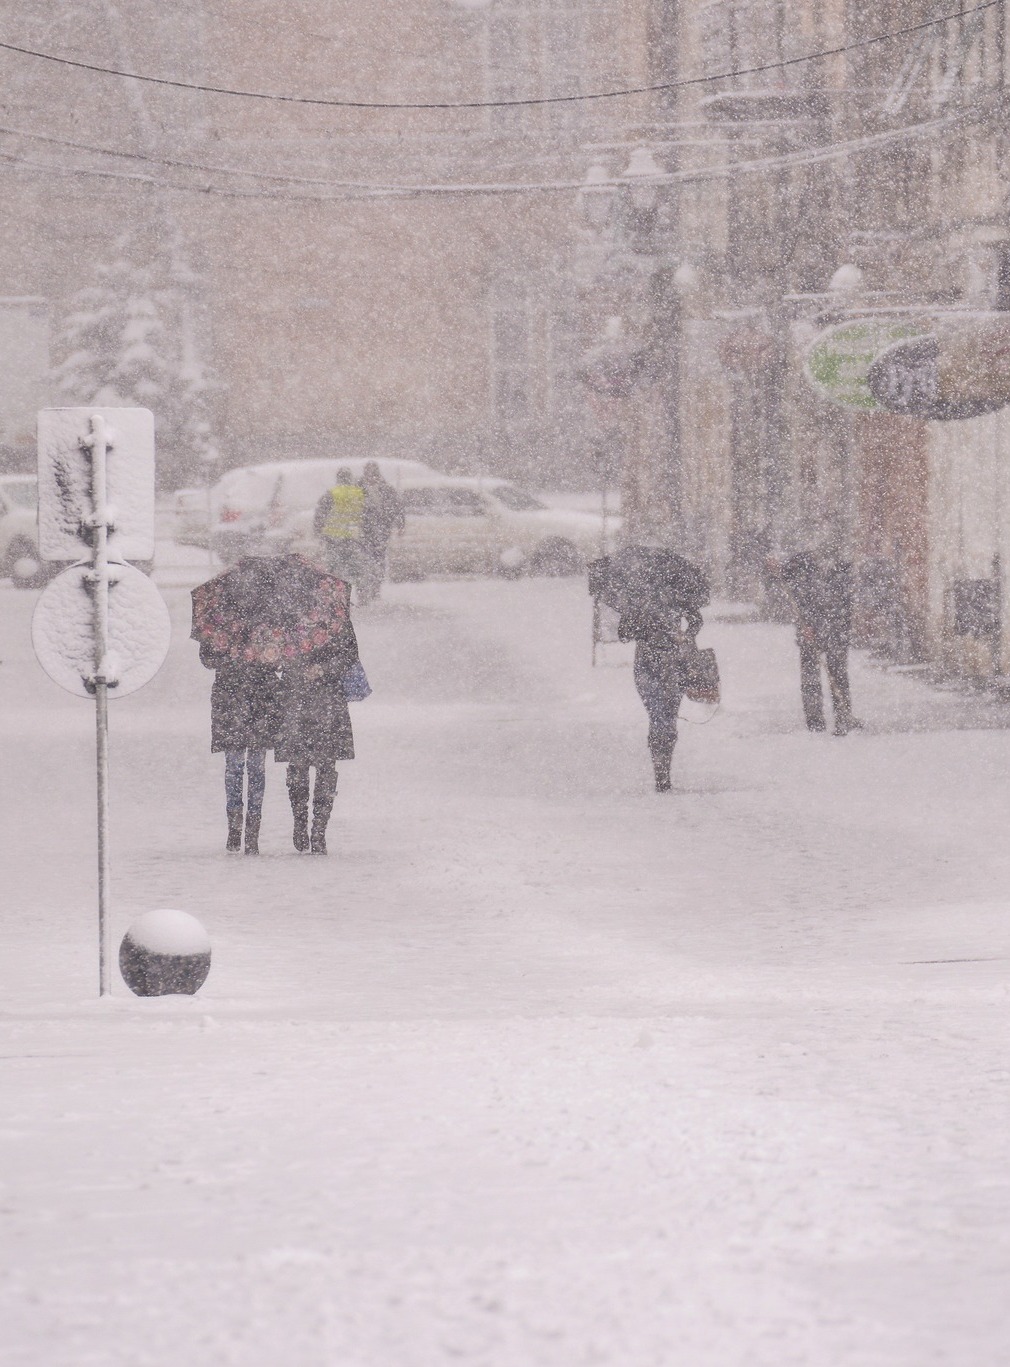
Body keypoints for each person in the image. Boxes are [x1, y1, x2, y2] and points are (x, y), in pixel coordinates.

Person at [275, 608, 362, 855]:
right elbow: (273, 653)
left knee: (326, 765)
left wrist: (322, 669)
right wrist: (295, 665)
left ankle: (319, 829)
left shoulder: (336, 615)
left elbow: (349, 654)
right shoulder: (286, 615)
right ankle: (300, 822)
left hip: (327, 700)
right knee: (297, 764)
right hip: (296, 698)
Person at [197, 637, 280, 856]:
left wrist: (266, 654)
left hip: (261, 698)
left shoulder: (269, 620)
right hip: (230, 698)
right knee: (234, 766)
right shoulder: (219, 622)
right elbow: (207, 658)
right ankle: (234, 828)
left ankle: (252, 831)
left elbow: (281, 658)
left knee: (255, 767)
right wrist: (229, 653)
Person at [619, 603, 703, 793]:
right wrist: (644, 627)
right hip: (648, 665)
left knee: (667, 716)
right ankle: (661, 774)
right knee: (659, 715)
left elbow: (696, 621)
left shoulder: (675, 589)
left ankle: (663, 771)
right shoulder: (638, 595)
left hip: (673, 664)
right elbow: (623, 633)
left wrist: (684, 636)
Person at [781, 541, 860, 736]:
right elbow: (796, 594)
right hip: (811, 630)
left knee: (838, 675)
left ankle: (843, 717)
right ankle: (815, 721)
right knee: (810, 678)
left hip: (835, 630)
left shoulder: (842, 573)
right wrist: (804, 625)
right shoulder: (802, 568)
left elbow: (846, 604)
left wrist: (841, 627)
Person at [357, 461, 405, 604]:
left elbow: (397, 508)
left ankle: (375, 589)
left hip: (381, 531)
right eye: (369, 475)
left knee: (378, 560)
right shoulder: (358, 488)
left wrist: (400, 525)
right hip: (363, 531)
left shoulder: (386, 490)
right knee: (363, 562)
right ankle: (363, 591)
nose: (371, 478)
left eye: (373, 475)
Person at [313, 467, 366, 591]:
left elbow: (320, 513)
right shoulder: (359, 493)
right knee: (356, 568)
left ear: (338, 478)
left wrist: (318, 530)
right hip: (353, 537)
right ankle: (362, 592)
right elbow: (366, 514)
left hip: (333, 537)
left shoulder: (332, 493)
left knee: (333, 568)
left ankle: (333, 593)